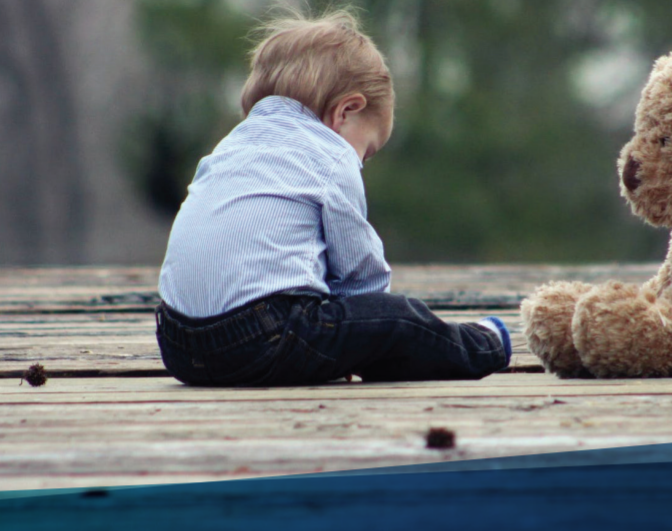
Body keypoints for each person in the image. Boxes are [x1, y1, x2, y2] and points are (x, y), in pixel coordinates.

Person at [155, 8, 511, 386]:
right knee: (401, 319)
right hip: (262, 339)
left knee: (349, 328)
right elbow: (361, 276)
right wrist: (371, 329)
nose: (361, 162)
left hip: (177, 345)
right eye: (368, 151)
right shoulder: (330, 154)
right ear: (346, 110)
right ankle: (484, 344)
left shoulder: (229, 146)